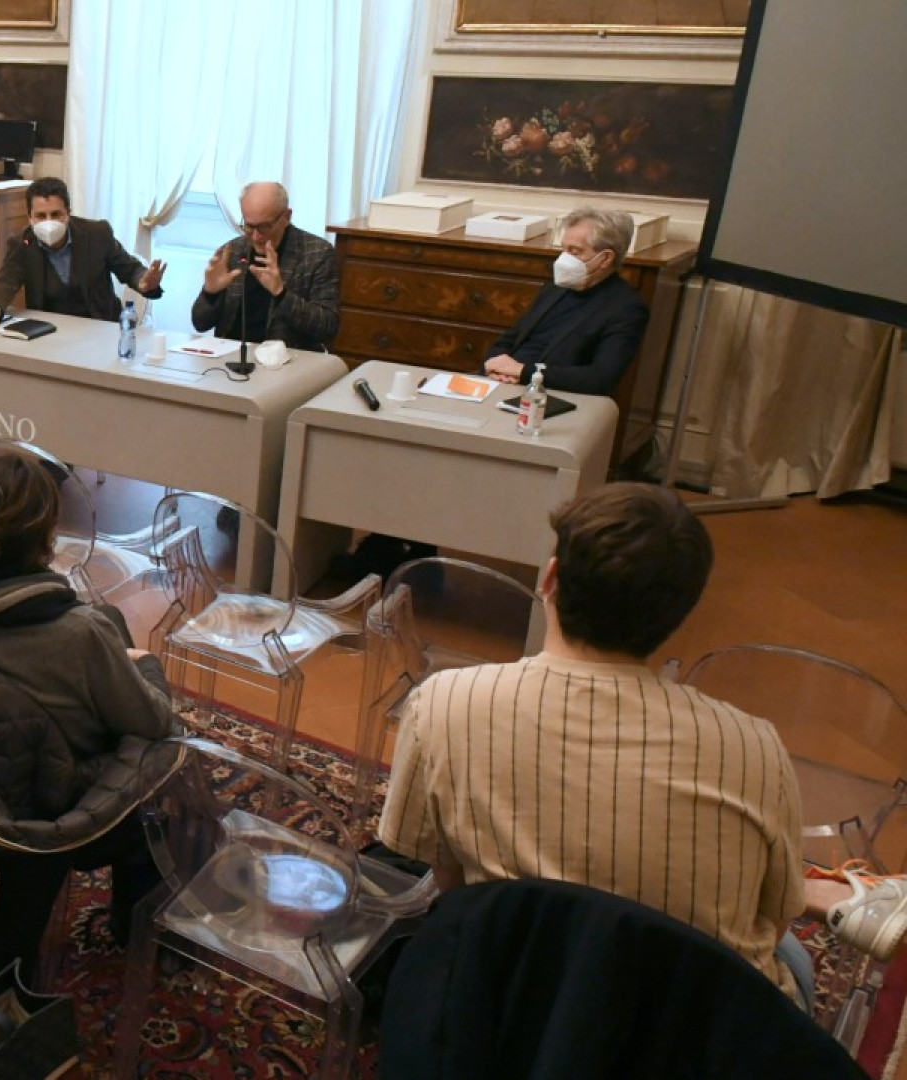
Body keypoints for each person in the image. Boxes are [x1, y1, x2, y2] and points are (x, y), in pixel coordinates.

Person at [377, 483, 907, 1010]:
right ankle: (840, 897)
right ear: (680, 613)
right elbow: (771, 920)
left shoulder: (442, 703)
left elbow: (449, 883)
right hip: (687, 1033)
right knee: (791, 958)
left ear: (551, 578)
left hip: (516, 998)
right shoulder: (754, 747)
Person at [0, 453, 180, 974]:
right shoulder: (79, 634)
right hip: (61, 804)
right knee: (168, 788)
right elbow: (155, 723)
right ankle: (133, 929)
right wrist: (146, 667)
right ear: (48, 535)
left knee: (108, 626)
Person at [481, 206, 649, 396]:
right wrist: (496, 363)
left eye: (575, 251)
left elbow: (601, 378)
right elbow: (512, 337)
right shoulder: (555, 287)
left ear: (605, 259)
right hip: (500, 382)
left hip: (550, 395)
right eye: (563, 249)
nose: (563, 260)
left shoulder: (626, 308)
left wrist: (523, 372)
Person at [0, 177, 164, 336]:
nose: (48, 222)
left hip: (100, 328)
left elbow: (130, 269)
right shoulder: (23, 243)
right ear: (29, 217)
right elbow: (6, 280)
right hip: (49, 331)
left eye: (56, 214)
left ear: (68, 214)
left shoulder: (97, 233)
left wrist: (144, 282)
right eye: (40, 216)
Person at [190, 181, 340, 352]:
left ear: (286, 217)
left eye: (264, 227)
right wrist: (210, 293)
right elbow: (200, 324)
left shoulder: (316, 253)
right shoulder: (232, 251)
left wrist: (281, 294)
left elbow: (328, 327)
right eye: (249, 226)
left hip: (288, 362)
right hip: (231, 357)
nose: (255, 236)